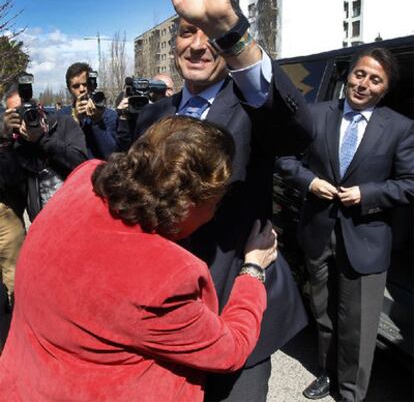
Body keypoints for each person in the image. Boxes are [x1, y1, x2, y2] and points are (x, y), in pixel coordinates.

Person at [130, 0, 314, 402]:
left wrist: (229, 30)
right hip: (164, 313)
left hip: (238, 303)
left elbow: (297, 132)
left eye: (207, 34)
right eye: (187, 32)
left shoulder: (252, 107)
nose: (197, 44)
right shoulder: (151, 117)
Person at [0, 116, 278, 402]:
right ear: (187, 204)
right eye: (216, 202)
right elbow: (229, 349)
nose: (214, 214)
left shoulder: (84, 178)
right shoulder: (167, 278)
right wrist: (253, 268)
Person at [276, 47, 414, 402]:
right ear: (349, 75)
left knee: (359, 323)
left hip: (365, 238)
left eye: (375, 79)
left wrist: (367, 194)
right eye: (359, 74)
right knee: (323, 312)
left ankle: (352, 392)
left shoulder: (400, 127)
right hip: (318, 231)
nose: (364, 84)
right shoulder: (316, 114)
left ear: (384, 88)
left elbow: (409, 182)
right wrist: (309, 182)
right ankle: (327, 372)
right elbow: (286, 158)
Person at [0, 84, 88, 221]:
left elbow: (81, 164)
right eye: (18, 112)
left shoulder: (64, 124)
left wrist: (42, 139)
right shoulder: (17, 143)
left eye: (27, 110)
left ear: (39, 107)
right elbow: (11, 182)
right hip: (43, 225)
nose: (24, 116)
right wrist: (5, 138)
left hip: (77, 216)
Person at [61, 62, 117, 159]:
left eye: (85, 84)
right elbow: (63, 155)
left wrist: (97, 121)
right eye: (76, 86)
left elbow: (112, 155)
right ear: (69, 89)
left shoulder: (110, 115)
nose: (82, 89)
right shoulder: (62, 116)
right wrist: (75, 120)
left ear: (92, 84)